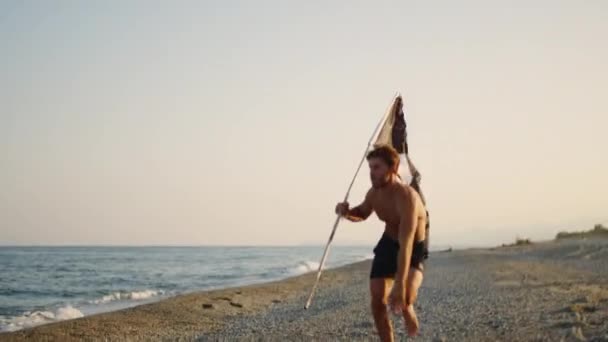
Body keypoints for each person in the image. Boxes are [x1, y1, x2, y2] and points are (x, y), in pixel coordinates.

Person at [335, 145, 428, 341]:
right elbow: (362, 213)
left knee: (405, 296)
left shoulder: (407, 197)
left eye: (376, 167)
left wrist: (400, 285)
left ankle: (408, 307)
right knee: (377, 301)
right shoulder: (373, 194)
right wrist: (346, 212)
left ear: (392, 168)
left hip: (411, 246)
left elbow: (406, 244)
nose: (371, 173)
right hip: (388, 242)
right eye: (370, 167)